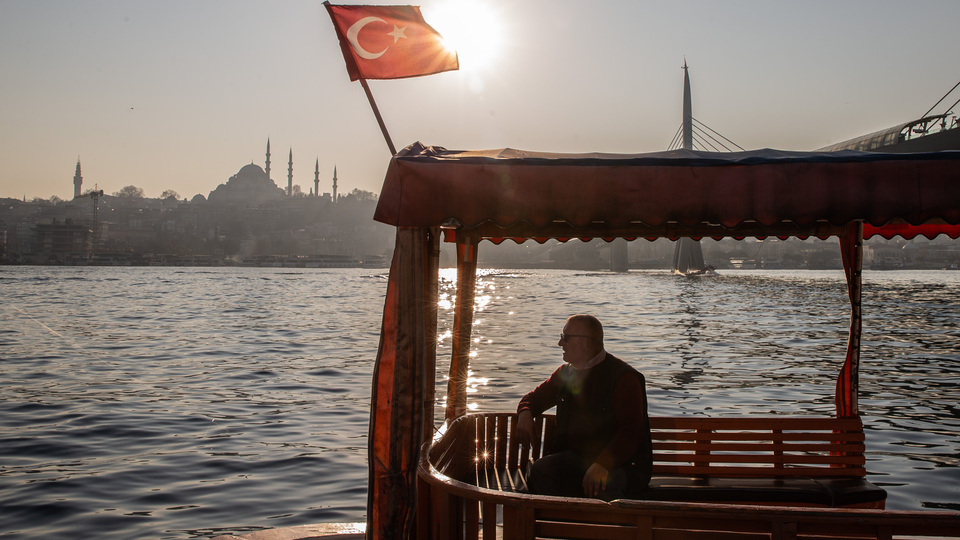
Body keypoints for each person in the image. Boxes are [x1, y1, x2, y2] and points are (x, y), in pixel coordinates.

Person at [516, 314, 652, 500]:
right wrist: (525, 413)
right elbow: (534, 399)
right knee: (541, 470)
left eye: (565, 337)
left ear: (586, 343)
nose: (559, 343)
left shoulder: (623, 378)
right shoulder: (566, 374)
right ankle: (553, 525)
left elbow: (630, 434)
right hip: (576, 460)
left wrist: (602, 464)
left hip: (623, 465)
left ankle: (602, 528)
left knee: (602, 483)